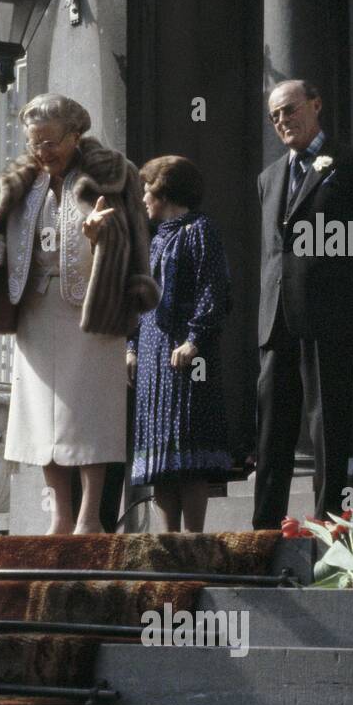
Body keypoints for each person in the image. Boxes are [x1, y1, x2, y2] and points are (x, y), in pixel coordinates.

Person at [0, 93, 158, 535]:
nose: (42, 152)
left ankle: (89, 518)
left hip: (93, 308)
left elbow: (135, 242)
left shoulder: (113, 175)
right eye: (35, 143)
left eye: (51, 142)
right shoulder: (21, 183)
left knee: (89, 414)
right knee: (42, 418)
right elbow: (9, 250)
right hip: (35, 309)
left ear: (75, 136)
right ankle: (59, 517)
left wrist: (101, 235)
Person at [252, 79, 353, 529]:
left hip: (329, 313)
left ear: (316, 104)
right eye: (275, 116)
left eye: (290, 110)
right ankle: (264, 528)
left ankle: (330, 522)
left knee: (327, 424)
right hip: (276, 318)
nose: (282, 122)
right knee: (272, 429)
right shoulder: (269, 177)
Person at [127, 156, 232, 532]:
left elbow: (212, 288)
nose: (143, 198)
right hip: (154, 350)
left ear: (165, 191)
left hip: (186, 351)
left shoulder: (200, 229)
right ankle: (166, 539)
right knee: (160, 454)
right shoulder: (155, 240)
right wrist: (132, 347)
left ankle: (193, 538)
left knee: (187, 446)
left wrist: (195, 339)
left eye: (147, 189)